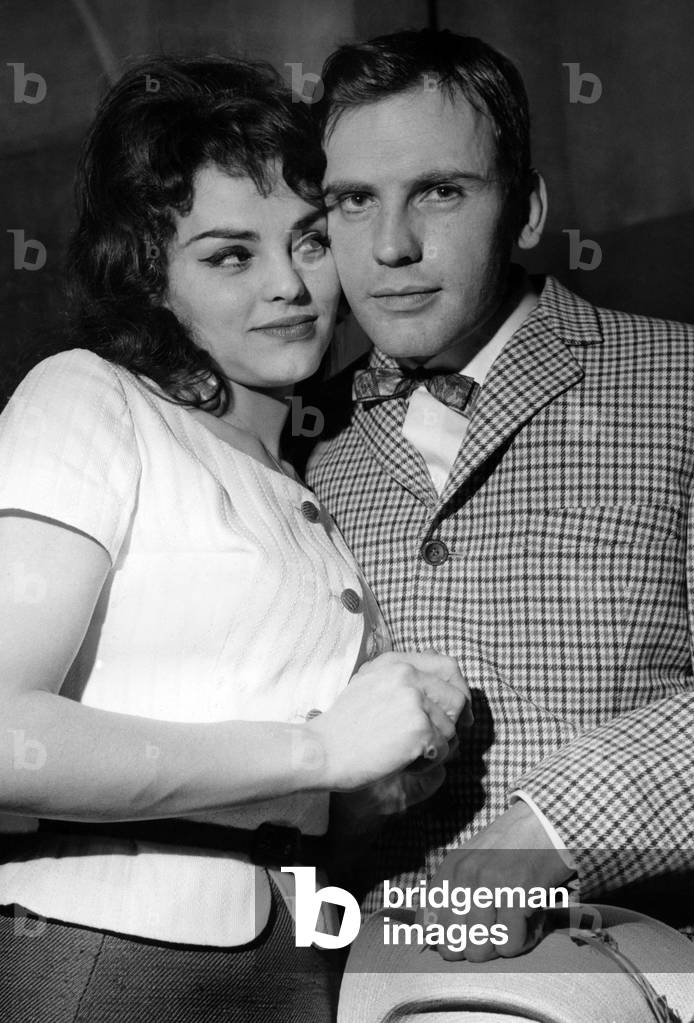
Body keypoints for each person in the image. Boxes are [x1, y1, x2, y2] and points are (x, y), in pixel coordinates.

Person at [303, 28, 694, 1022]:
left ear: (527, 209)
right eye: (353, 200)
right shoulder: (308, 448)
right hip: (364, 992)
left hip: (663, 982)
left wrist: (551, 834)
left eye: (439, 191)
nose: (390, 245)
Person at [0, 55, 470, 1023]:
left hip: (298, 958)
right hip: (104, 948)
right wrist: (316, 753)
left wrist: (385, 776)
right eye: (228, 255)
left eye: (306, 241)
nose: (288, 287)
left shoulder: (300, 480)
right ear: (150, 277)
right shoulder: (90, 396)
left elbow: (302, 780)